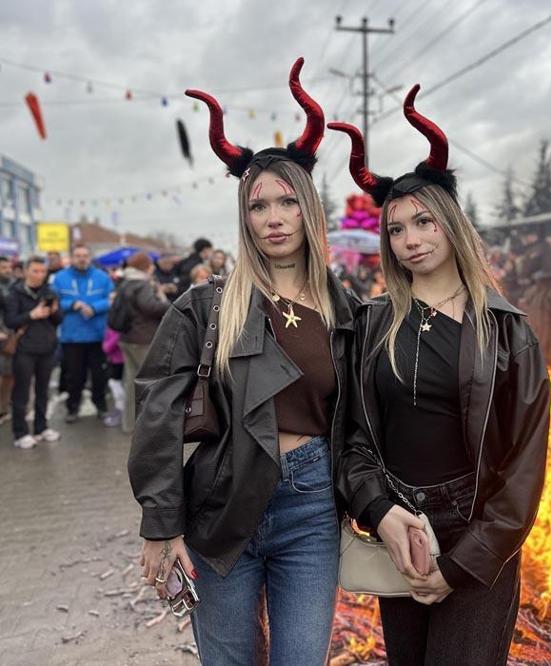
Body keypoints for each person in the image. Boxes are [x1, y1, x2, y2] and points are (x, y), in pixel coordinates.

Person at [128, 58, 357, 666]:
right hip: (219, 504)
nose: (274, 219)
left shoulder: (349, 310)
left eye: (287, 203)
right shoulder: (206, 306)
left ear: (309, 209)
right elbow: (156, 412)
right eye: (259, 207)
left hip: (311, 507)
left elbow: (367, 418)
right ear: (244, 217)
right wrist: (160, 522)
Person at [330, 85, 551, 666]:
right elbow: (353, 440)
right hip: (402, 530)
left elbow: (524, 469)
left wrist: (462, 564)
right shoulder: (372, 323)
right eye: (397, 229)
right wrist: (381, 511)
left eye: (423, 222)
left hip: (477, 538)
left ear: (450, 224)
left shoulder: (506, 330)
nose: (410, 240)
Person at [5, 257, 63, 449]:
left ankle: (41, 428)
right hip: (24, 349)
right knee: (21, 392)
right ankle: (20, 432)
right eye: (35, 271)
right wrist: (31, 314)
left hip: (47, 347)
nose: (39, 275)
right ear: (25, 271)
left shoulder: (49, 292)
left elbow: (58, 320)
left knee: (42, 390)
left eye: (42, 271)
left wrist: (54, 311)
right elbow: (10, 321)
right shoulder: (15, 293)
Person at [53, 244, 113, 423]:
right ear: (71, 258)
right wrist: (73, 304)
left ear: (90, 257)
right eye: (78, 255)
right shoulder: (60, 277)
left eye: (85, 255)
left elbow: (111, 299)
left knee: (99, 376)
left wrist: (95, 308)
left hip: (97, 335)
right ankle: (73, 407)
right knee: (74, 376)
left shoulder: (102, 277)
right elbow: (54, 302)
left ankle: (100, 405)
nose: (82, 258)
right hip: (72, 336)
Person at [117, 252, 170, 433]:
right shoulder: (142, 284)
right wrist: (165, 301)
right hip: (143, 339)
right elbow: (151, 307)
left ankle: (129, 424)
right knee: (153, 383)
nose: (153, 267)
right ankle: (154, 425)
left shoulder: (126, 282)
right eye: (150, 264)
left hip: (127, 338)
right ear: (145, 266)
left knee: (131, 383)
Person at [0, 255, 17, 422]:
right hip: (2, 334)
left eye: (8, 267)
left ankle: (4, 407)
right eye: (3, 267)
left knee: (9, 373)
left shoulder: (14, 286)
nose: (7, 270)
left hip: (11, 335)